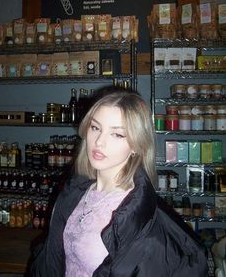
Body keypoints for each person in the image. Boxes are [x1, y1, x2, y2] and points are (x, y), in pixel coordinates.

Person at [30, 89, 208, 277]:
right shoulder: (76, 189)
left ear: (136, 146)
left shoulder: (138, 219)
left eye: (117, 135)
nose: (99, 142)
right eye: (95, 128)